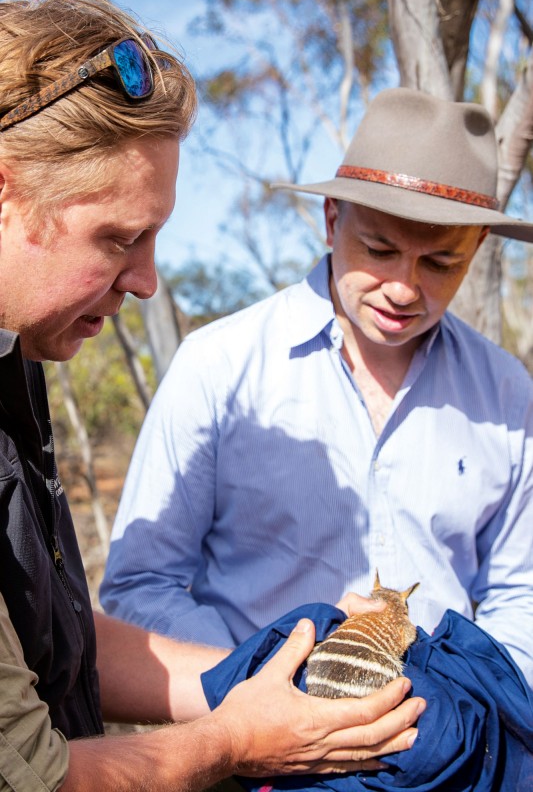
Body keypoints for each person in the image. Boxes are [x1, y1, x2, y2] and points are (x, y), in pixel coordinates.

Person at [0, 0, 426, 791]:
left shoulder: (17, 361)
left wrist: (266, 677)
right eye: (118, 238)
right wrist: (232, 742)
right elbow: (31, 777)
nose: (147, 280)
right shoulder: (215, 362)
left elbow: (50, 634)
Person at [101, 86, 533, 691]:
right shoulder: (219, 365)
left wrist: (473, 707)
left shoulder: (507, 393)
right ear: (333, 221)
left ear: (478, 249)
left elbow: (521, 595)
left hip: (447, 755)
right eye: (380, 250)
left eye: (440, 263)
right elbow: (139, 587)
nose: (404, 289)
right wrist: (258, 687)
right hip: (251, 760)